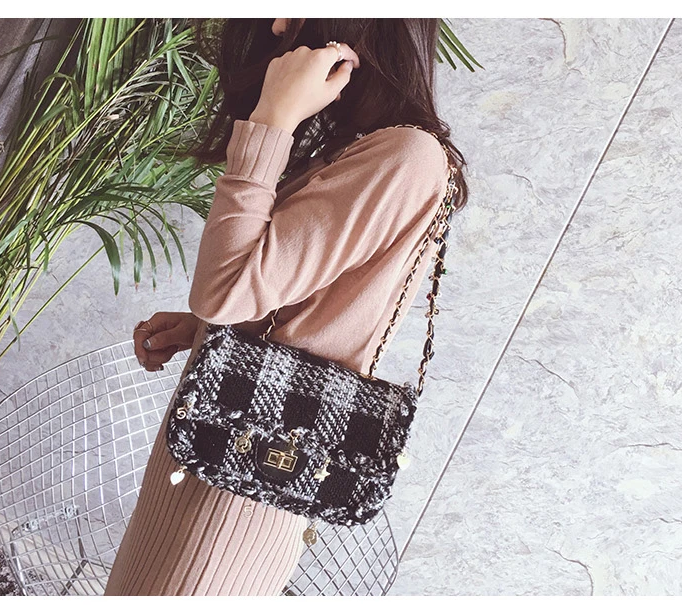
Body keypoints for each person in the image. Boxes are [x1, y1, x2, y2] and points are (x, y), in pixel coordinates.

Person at [104, 18, 468, 596]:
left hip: (236, 486)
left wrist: (272, 121)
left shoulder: (407, 155)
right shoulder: (380, 148)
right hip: (222, 455)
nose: (275, 21)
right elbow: (307, 302)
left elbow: (226, 288)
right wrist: (210, 330)